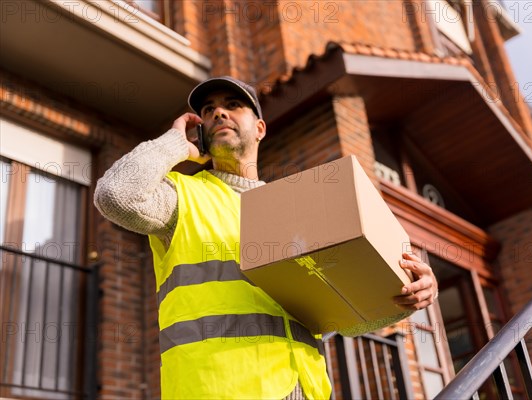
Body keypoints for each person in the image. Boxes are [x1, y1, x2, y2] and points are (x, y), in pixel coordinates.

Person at [94, 76, 438, 400]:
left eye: (232, 104)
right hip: (218, 390)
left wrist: (405, 298)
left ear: (260, 128)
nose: (218, 112)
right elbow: (116, 195)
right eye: (208, 110)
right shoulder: (181, 197)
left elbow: (342, 318)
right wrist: (173, 145)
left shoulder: (291, 211)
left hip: (303, 388)